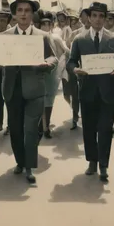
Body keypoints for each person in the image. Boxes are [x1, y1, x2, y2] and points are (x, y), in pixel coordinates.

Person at [0, 0, 57, 183]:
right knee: (16, 130)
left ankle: (30, 167)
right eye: (20, 10)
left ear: (32, 15)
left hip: (35, 89)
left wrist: (46, 64)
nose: (23, 14)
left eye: (27, 11)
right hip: (12, 89)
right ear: (15, 14)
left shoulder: (42, 36)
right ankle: (20, 162)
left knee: (31, 130)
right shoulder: (5, 36)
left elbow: (53, 58)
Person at [67, 2, 114, 181]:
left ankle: (103, 164)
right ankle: (92, 161)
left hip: (108, 91)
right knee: (89, 129)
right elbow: (71, 62)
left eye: (102, 16)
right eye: (94, 16)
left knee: (105, 129)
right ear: (89, 18)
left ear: (105, 18)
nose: (98, 20)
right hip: (87, 91)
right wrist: (76, 70)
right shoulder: (79, 39)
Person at [39, 11, 70, 139]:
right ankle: (43, 126)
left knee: (49, 99)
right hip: (39, 71)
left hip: (52, 72)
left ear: (52, 25)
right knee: (40, 98)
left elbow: (68, 51)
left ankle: (46, 126)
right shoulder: (36, 36)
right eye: (43, 24)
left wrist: (61, 64)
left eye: (48, 24)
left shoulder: (55, 38)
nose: (45, 26)